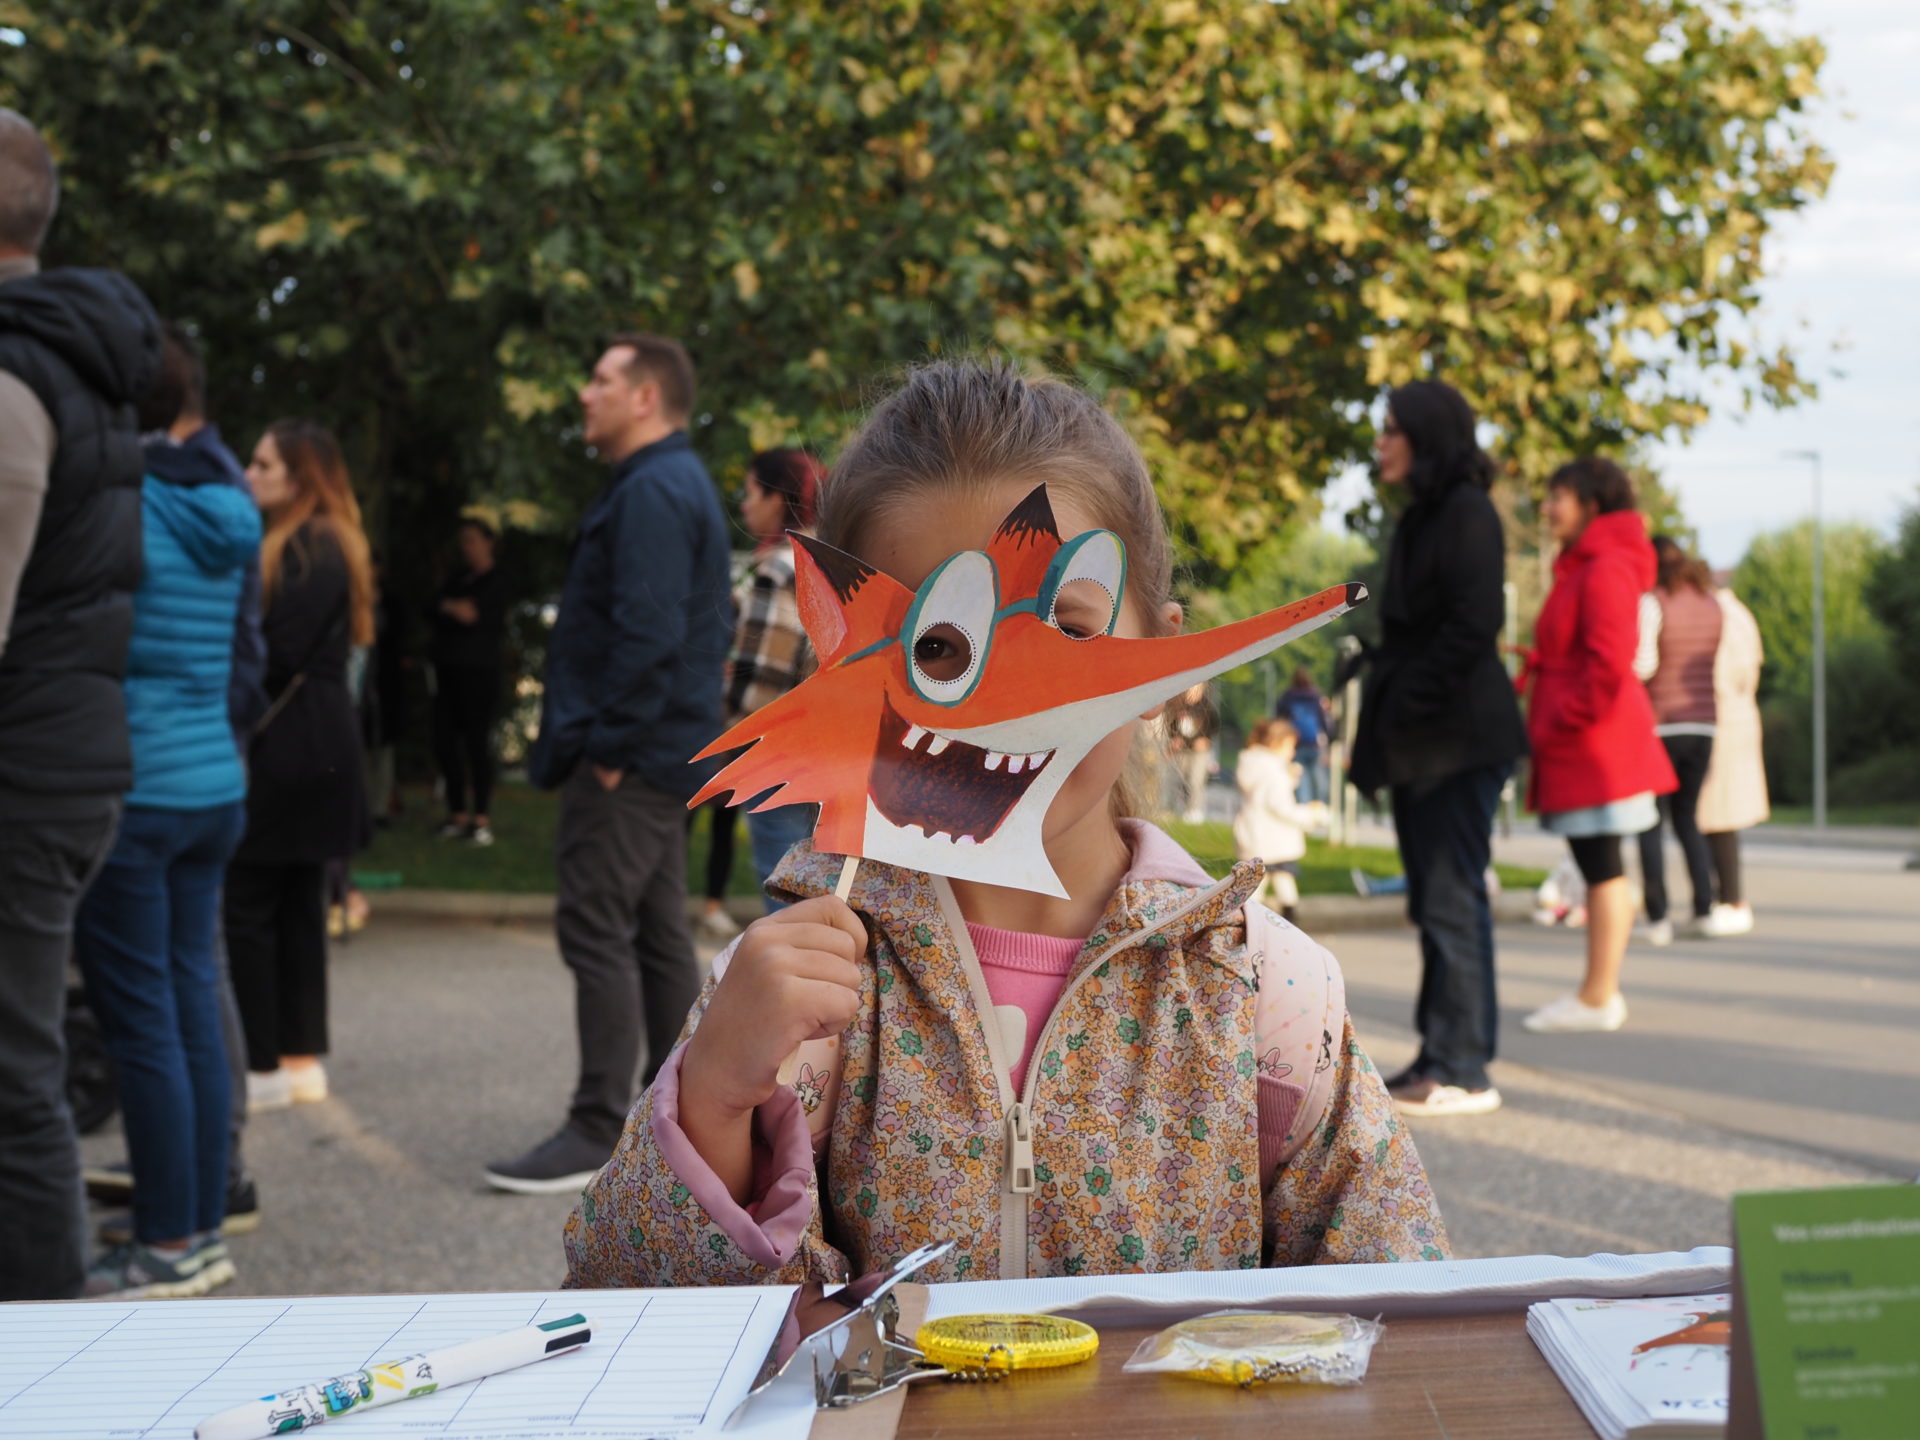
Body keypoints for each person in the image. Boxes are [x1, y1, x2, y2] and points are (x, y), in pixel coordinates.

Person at [562, 358, 1447, 1287]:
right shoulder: (799, 996)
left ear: (1163, 653)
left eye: (1067, 630)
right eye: (937, 649)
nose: (999, 708)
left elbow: (1399, 1300)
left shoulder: (1265, 991)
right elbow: (619, 1311)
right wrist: (712, 1101)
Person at [489, 335, 731, 1194]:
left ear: (644, 397)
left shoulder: (656, 490)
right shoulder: (664, 483)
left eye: (599, 379)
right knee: (656, 926)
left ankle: (600, 1126)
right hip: (655, 751)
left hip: (631, 758)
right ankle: (681, 1124)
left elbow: (649, 633)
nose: (583, 392)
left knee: (599, 923)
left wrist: (612, 751)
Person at [0, 108, 158, 1301]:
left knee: (12, 1073)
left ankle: (42, 1353)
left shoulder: (15, 367)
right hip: (71, 747)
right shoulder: (77, 359)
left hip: (27, 763)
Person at [71, 330, 260, 1298]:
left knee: (143, 1020)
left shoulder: (125, 498)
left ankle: (167, 1238)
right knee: (186, 1006)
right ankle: (198, 1223)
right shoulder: (229, 501)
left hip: (138, 784)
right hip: (211, 784)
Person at [1349, 381, 1527, 1118]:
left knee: (1453, 899)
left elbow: (1471, 626)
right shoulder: (1428, 514)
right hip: (1429, 738)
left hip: (1456, 736)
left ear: (1425, 434)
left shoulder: (1465, 514)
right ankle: (1439, 1053)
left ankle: (1464, 1066)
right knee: (1435, 900)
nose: (1380, 443)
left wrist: (1403, 706)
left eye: (1391, 429)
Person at [223, 420, 375, 1111]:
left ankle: (264, 1063)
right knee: (294, 905)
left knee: (252, 901)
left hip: (292, 741)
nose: (248, 473)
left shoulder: (308, 544)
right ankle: (295, 1058)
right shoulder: (331, 540)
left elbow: (275, 654)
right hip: (317, 736)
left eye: (263, 464)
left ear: (300, 476)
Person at [1517, 457, 1676, 1034]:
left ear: (1590, 504)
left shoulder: (1604, 566)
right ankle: (1597, 991)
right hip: (1588, 739)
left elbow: (1610, 662)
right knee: (1598, 866)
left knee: (1602, 867)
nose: (1548, 507)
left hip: (1596, 744)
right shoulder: (1586, 564)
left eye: (1559, 496)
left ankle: (1597, 995)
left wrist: (1562, 719)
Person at [726, 447, 826, 904]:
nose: (744, 505)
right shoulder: (834, 553)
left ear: (776, 497)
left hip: (778, 755)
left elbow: (761, 676)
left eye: (749, 492)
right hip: (832, 752)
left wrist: (730, 737)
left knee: (783, 891)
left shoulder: (782, 564)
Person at [1633, 536, 1723, 945]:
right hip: (1704, 723)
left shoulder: (1654, 602)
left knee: (1650, 819)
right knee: (1688, 818)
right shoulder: (1711, 602)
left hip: (1661, 722)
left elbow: (1644, 663)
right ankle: (1704, 907)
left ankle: (1658, 917)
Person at [430, 517, 508, 847]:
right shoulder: (458, 578)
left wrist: (454, 610)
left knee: (477, 743)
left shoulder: (497, 580)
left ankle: (481, 817)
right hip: (449, 671)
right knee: (446, 741)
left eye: (474, 540)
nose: (468, 547)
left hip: (480, 673)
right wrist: (450, 607)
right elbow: (433, 607)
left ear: (489, 542)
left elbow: (474, 616)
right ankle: (457, 813)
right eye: (464, 541)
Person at [1695, 583, 1767, 935]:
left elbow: (1724, 672)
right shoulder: (1740, 614)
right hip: (1738, 717)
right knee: (1719, 815)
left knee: (1718, 815)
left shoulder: (1717, 616)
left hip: (1722, 718)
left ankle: (1730, 900)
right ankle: (1725, 898)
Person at [1233, 717, 1325, 918]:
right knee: (1284, 880)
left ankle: (1248, 923)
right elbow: (1281, 806)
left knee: (1256, 886)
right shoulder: (1274, 772)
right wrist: (1311, 814)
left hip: (1254, 835)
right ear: (1276, 744)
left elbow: (1264, 796)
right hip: (1275, 839)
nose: (1292, 752)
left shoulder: (1254, 765)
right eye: (1289, 746)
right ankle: (1290, 920)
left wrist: (1290, 776)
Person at [1163, 682, 1218, 823]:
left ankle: (1194, 811)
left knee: (1196, 780)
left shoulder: (1207, 706)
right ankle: (1178, 808)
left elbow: (1214, 727)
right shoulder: (1178, 705)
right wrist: (1174, 740)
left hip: (1199, 751)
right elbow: (1171, 725)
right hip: (1182, 750)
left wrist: (1207, 740)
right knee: (1181, 779)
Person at [1277, 666, 1332, 803]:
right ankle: (1319, 808)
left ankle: (1304, 806)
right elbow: (1323, 720)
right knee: (1319, 778)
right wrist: (1329, 738)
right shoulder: (1315, 695)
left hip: (1295, 744)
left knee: (1301, 779)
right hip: (1313, 743)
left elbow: (1280, 718)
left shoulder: (1288, 696)